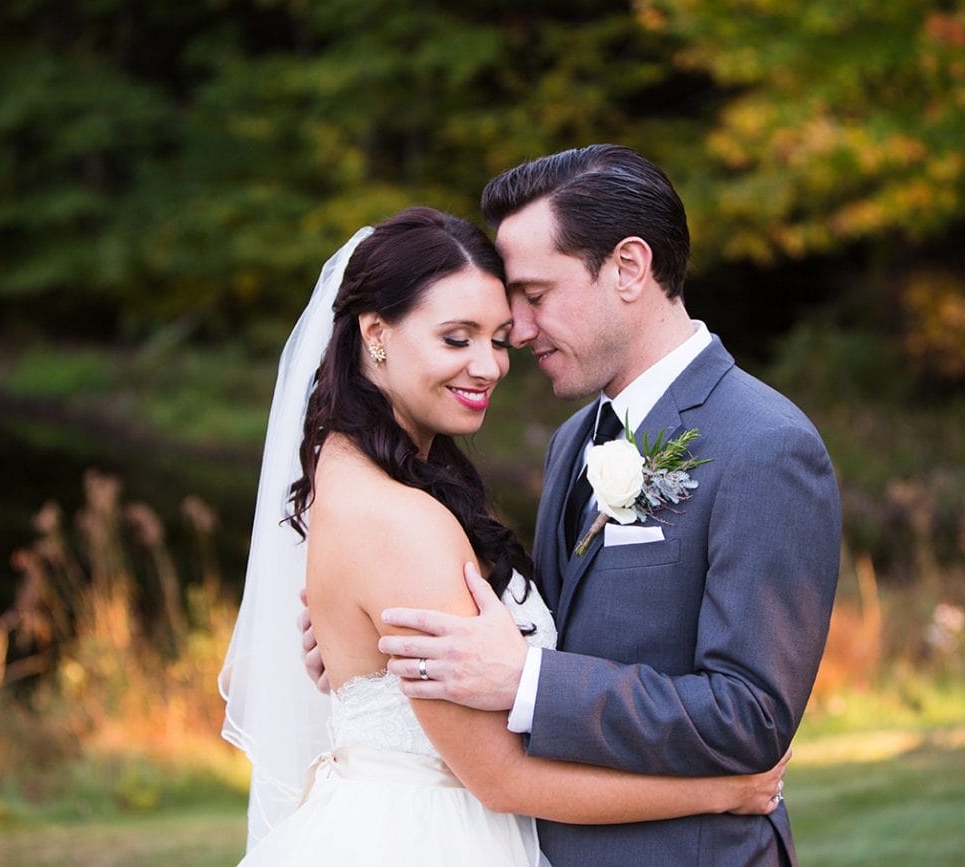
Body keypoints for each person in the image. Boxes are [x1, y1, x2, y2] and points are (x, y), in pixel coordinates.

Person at [219, 206, 789, 866]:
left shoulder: (349, 474)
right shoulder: (403, 519)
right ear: (376, 334)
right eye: (456, 338)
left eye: (496, 338)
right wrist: (718, 791)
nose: (489, 365)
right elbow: (501, 777)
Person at [367, 146, 843, 865]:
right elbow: (559, 626)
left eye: (535, 295)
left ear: (628, 267)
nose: (518, 332)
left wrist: (529, 681)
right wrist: (387, 634)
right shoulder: (574, 440)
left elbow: (751, 717)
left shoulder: (765, 447)